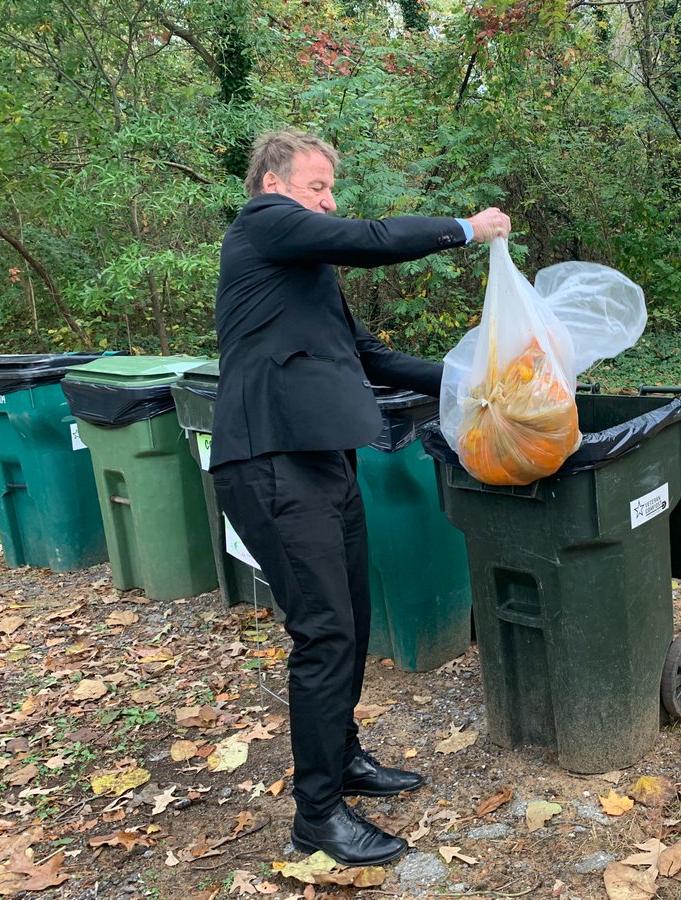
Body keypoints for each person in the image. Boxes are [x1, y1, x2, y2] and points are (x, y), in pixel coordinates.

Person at [209, 129, 510, 867]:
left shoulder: (304, 277)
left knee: (353, 618)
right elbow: (367, 237)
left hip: (326, 462)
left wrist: (475, 380)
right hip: (271, 461)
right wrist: (466, 229)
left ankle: (343, 757)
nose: (330, 200)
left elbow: (371, 357)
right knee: (324, 632)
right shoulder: (261, 225)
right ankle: (316, 815)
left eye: (330, 188)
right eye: (318, 186)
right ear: (276, 185)